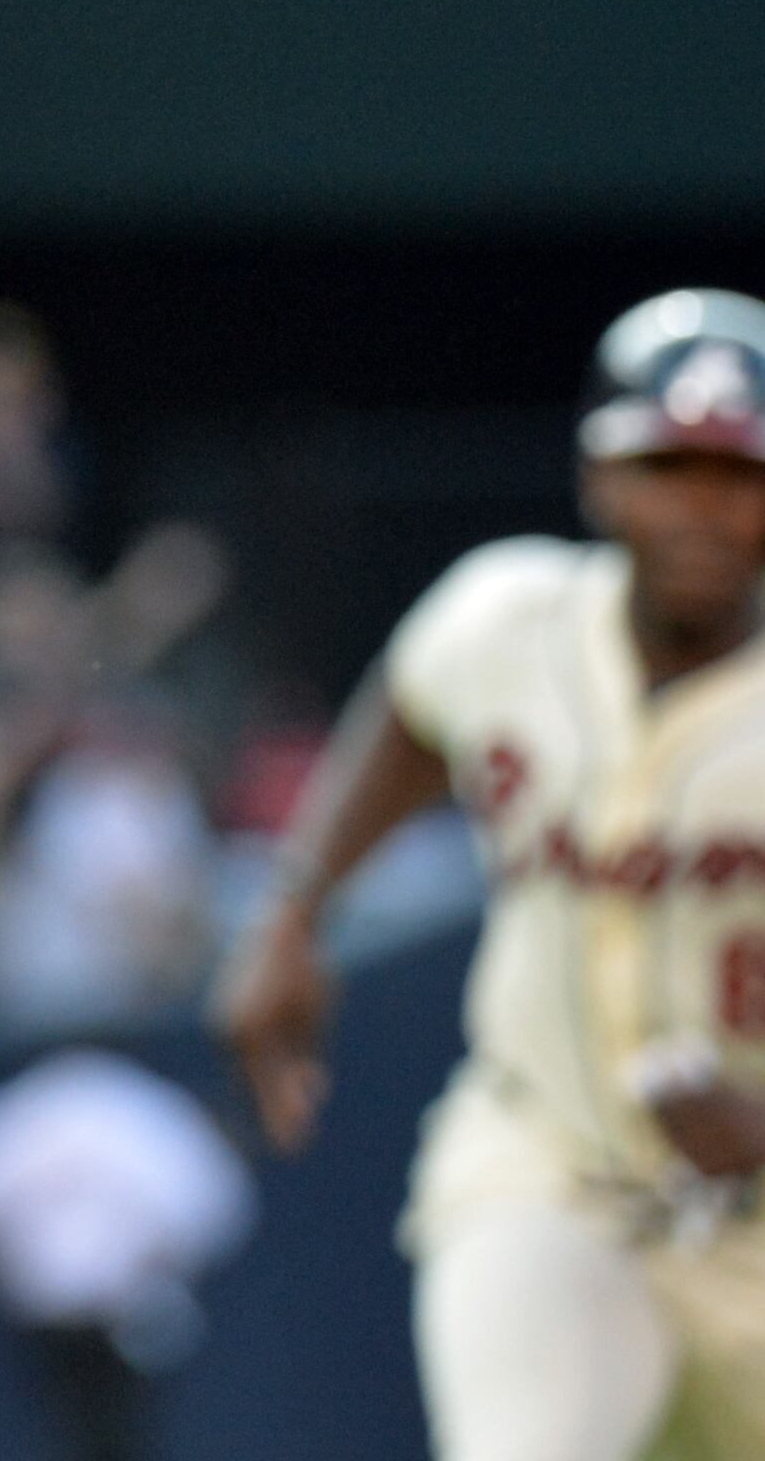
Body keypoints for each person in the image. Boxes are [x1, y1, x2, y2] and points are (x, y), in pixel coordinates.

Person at [215, 290, 765, 1461]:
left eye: (737, 475)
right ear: (598, 479)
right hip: (549, 1164)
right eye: (666, 465)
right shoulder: (508, 615)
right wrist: (295, 906)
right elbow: (414, 715)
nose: (703, 509)